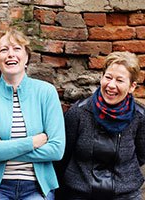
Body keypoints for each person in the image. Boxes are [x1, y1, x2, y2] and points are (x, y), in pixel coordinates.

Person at [0, 27, 65, 200]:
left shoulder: (46, 92)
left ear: (26, 57)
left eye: (17, 48)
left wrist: (2, 147)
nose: (10, 54)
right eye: (4, 50)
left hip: (37, 187)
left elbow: (56, 150)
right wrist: (32, 142)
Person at [59, 51, 145, 200]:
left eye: (119, 80)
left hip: (125, 196)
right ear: (101, 78)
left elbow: (141, 156)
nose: (111, 85)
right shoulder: (79, 113)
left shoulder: (139, 117)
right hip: (79, 195)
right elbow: (63, 157)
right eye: (108, 77)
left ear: (132, 86)